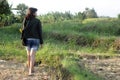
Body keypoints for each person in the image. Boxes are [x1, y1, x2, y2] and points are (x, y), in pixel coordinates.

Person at [21, 7, 43, 76]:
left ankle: (30, 69)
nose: (36, 13)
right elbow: (40, 32)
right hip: (35, 40)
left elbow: (23, 30)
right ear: (33, 13)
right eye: (36, 12)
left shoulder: (26, 19)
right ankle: (31, 71)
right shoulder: (38, 21)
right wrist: (41, 42)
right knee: (32, 55)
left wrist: (22, 38)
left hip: (27, 39)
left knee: (28, 55)